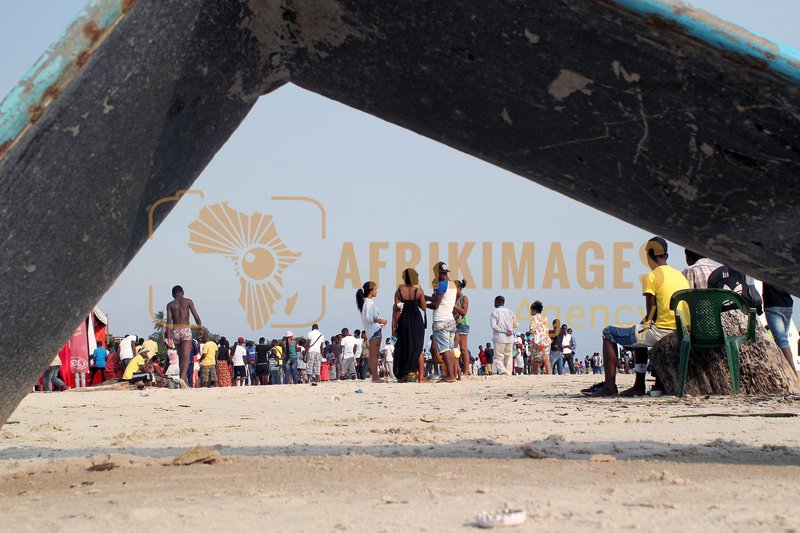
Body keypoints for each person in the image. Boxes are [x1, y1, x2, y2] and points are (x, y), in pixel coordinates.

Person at [585, 236, 689, 397]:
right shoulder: (681, 276)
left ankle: (610, 387)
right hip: (682, 331)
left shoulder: (652, 277)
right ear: (666, 256)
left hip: (662, 331)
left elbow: (651, 313)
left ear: (648, 255)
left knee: (608, 332)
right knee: (638, 333)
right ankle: (638, 385)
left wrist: (636, 330)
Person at [393, 268, 428, 382]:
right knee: (418, 348)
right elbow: (423, 307)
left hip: (404, 321)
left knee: (405, 347)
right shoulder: (418, 291)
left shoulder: (398, 292)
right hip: (416, 321)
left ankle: (405, 376)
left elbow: (397, 310)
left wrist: (395, 326)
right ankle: (421, 377)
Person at [427, 262, 459, 382]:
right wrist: (429, 297)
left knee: (444, 350)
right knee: (449, 350)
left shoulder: (441, 285)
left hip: (441, 320)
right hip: (450, 320)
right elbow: (444, 300)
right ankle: (452, 375)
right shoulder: (452, 285)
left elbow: (436, 305)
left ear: (439, 273)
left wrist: (423, 304)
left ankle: (450, 376)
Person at [165, 285, 202, 385]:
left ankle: (183, 380)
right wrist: (200, 329)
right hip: (185, 329)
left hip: (175, 330)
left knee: (180, 356)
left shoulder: (170, 305)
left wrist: (168, 337)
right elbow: (196, 316)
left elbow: (169, 321)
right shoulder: (188, 301)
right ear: (182, 292)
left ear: (173, 295)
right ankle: (182, 378)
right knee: (186, 357)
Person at [357, 281, 389, 382]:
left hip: (371, 331)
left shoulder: (365, 303)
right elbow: (369, 318)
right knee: (374, 355)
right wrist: (381, 320)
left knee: (372, 355)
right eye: (375, 289)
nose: (376, 291)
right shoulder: (369, 303)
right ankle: (375, 377)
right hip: (375, 331)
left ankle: (374, 376)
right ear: (371, 291)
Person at [763, 283, 797, 371]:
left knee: (781, 341)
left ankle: (793, 373)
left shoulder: (765, 269)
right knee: (782, 341)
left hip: (773, 304)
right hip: (787, 305)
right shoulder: (784, 269)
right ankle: (783, 370)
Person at [490, 295, 517, 375]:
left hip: (500, 337)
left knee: (498, 357)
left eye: (494, 302)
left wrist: (504, 331)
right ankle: (508, 372)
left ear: (498, 302)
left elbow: (493, 325)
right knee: (508, 356)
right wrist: (510, 330)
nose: (494, 303)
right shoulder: (510, 311)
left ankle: (502, 371)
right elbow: (516, 324)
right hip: (510, 338)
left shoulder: (495, 312)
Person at [453, 279, 471, 376]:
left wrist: (455, 306)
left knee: (463, 349)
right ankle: (456, 369)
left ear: (459, 288)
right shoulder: (453, 298)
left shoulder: (464, 298)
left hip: (463, 325)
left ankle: (466, 371)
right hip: (454, 324)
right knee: (454, 349)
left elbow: (464, 312)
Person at [528, 301, 550, 375]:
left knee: (535, 359)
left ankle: (535, 374)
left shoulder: (534, 318)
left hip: (537, 341)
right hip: (545, 341)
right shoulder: (545, 318)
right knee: (546, 358)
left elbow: (532, 330)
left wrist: (528, 332)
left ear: (534, 310)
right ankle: (549, 373)